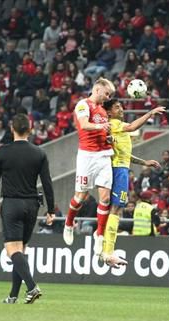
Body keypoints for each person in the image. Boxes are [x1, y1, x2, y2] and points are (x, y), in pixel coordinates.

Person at [0, 114, 55, 304]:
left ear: (12, 129)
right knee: (21, 250)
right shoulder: (39, 153)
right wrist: (51, 209)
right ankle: (13, 296)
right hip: (32, 205)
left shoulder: (2, 152)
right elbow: (47, 183)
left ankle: (32, 287)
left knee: (12, 250)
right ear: (30, 130)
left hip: (11, 203)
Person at [101, 98, 164, 267]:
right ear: (108, 113)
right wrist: (150, 113)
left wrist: (144, 162)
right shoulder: (114, 124)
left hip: (119, 168)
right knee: (116, 209)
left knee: (113, 209)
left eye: (121, 106)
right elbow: (132, 127)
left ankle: (105, 247)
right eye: (116, 107)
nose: (121, 109)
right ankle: (107, 251)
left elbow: (124, 154)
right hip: (118, 170)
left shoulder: (116, 128)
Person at [63, 78, 116, 254]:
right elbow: (84, 125)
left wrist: (108, 138)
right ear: (97, 89)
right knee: (80, 197)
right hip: (87, 156)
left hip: (104, 156)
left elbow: (101, 130)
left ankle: (99, 235)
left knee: (105, 198)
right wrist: (102, 126)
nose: (108, 98)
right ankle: (69, 223)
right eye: (107, 93)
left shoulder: (102, 110)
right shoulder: (83, 105)